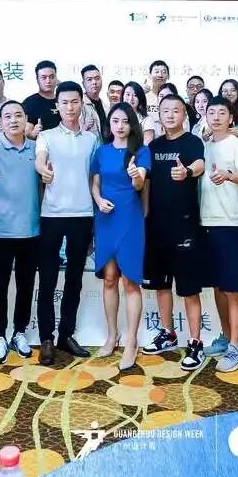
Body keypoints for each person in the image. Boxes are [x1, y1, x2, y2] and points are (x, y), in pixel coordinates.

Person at [35, 81, 99, 365]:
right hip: (52, 215)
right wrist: (43, 171)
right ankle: (46, 339)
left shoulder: (91, 140)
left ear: (81, 103)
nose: (70, 107)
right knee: (48, 279)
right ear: (57, 106)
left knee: (74, 279)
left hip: (83, 215)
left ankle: (66, 334)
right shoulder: (46, 136)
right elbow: (40, 161)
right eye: (64, 102)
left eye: (75, 102)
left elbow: (95, 177)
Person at [142, 95, 208, 371]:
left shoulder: (192, 142)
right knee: (161, 285)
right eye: (165, 111)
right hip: (156, 227)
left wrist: (187, 172)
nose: (170, 115)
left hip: (185, 226)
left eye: (176, 111)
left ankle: (195, 342)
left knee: (189, 289)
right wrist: (144, 216)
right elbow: (146, 183)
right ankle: (168, 333)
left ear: (184, 114)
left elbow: (200, 165)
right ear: (159, 115)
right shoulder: (153, 146)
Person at [0, 100, 41, 363]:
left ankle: (19, 332)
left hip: (30, 229)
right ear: (1, 122)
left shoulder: (36, 148)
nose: (13, 120)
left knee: (26, 285)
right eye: (8, 116)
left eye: (18, 115)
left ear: (26, 120)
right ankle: (0, 335)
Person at [91, 102, 151, 370]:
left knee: (130, 281)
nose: (120, 125)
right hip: (105, 217)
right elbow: (95, 183)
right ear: (109, 124)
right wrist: (98, 200)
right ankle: (112, 335)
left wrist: (135, 175)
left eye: (125, 121)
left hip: (130, 218)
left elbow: (139, 184)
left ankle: (131, 341)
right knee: (109, 278)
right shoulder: (101, 151)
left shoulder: (141, 151)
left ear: (132, 124)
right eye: (115, 120)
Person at [200, 96, 238, 372]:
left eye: (221, 112)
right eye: (211, 112)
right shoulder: (204, 145)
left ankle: (236, 346)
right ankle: (225, 337)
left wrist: (228, 174)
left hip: (230, 223)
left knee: (232, 288)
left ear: (231, 117)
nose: (216, 117)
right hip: (205, 222)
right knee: (218, 286)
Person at [24, 60, 61, 138]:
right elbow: (26, 133)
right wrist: (33, 133)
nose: (48, 81)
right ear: (37, 79)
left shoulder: (63, 100)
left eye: (52, 77)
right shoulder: (30, 103)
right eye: (44, 78)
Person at [81, 64, 107, 135]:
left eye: (97, 78)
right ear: (83, 83)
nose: (94, 82)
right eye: (89, 79)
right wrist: (84, 127)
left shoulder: (106, 106)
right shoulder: (80, 104)